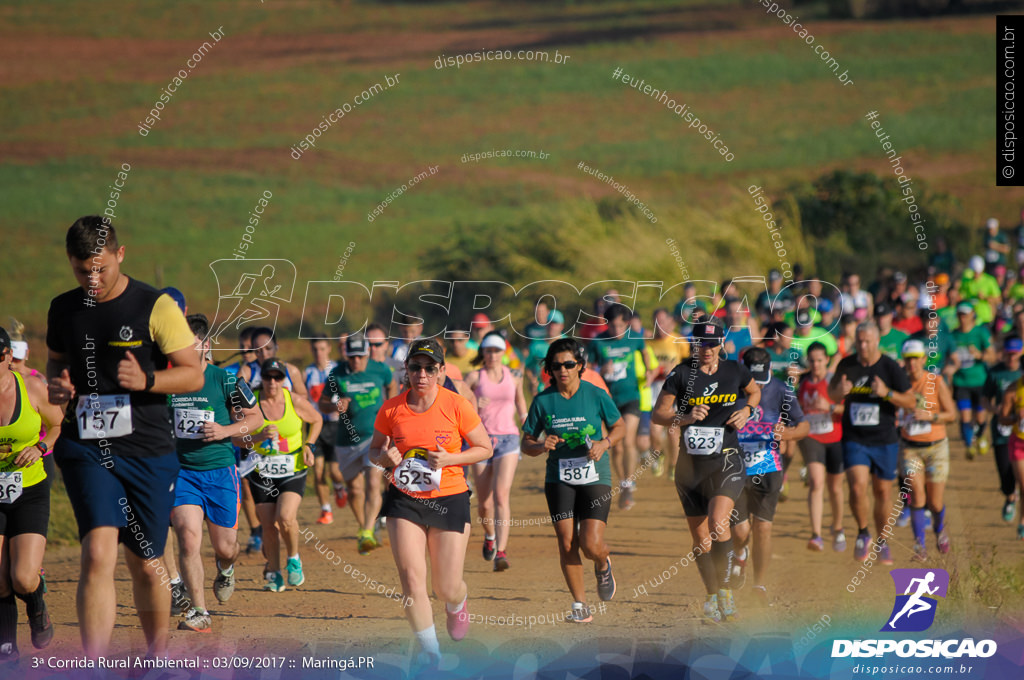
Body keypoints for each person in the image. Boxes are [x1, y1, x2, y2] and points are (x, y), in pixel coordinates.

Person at [46, 216, 204, 657]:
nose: (92, 278)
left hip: (148, 452)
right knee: (98, 550)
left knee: (147, 563)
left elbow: (194, 374)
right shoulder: (63, 309)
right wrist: (57, 386)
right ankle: (93, 665)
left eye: (101, 267)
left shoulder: (154, 306)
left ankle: (155, 659)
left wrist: (149, 380)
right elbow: (56, 364)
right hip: (87, 446)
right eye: (82, 270)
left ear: (119, 254)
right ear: (70, 264)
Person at [368, 339, 492, 665]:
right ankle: (431, 653)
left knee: (446, 586)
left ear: (440, 371)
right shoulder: (392, 408)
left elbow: (484, 447)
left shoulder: (456, 404)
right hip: (404, 499)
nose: (421, 374)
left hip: (449, 497)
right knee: (411, 579)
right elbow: (374, 451)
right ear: (406, 370)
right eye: (415, 367)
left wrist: (451, 457)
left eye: (429, 368)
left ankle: (457, 602)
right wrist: (385, 458)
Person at [652, 321, 759, 623]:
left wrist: (747, 411)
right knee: (701, 539)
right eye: (702, 344)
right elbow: (658, 414)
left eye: (713, 344)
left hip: (726, 459)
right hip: (690, 468)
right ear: (693, 345)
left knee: (717, 521)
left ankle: (726, 592)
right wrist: (684, 417)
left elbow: (754, 392)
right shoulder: (682, 374)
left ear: (721, 344)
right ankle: (712, 593)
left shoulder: (735, 371)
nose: (708, 350)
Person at [169, 314, 263, 632]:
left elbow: (256, 417)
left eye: (189, 344)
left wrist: (225, 430)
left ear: (206, 346)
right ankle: (199, 611)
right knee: (187, 537)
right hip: (182, 473)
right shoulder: (167, 382)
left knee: (225, 547)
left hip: (221, 473)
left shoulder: (225, 380)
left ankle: (226, 569)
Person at [522, 338, 623, 623]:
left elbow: (619, 426)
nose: (562, 370)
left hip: (595, 474)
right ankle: (580, 606)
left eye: (568, 364)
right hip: (559, 477)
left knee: (590, 544)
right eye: (556, 366)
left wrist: (605, 443)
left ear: (579, 365)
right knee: (567, 543)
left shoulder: (595, 393)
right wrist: (541, 445)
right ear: (549, 370)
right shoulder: (543, 400)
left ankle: (602, 563)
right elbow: (526, 442)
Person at [829, 321, 915, 564]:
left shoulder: (890, 367)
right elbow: (831, 392)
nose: (863, 346)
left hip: (885, 440)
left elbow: (910, 401)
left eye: (867, 341)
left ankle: (882, 541)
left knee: (882, 492)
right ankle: (863, 532)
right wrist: (840, 391)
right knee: (857, 486)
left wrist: (887, 392)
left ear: (877, 341)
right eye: (859, 341)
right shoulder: (848, 364)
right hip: (855, 438)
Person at [0, 327, 62, 662]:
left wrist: (40, 446)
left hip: (28, 488)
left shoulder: (32, 388)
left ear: (8, 357)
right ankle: (6, 645)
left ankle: (36, 603)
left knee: (23, 577)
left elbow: (56, 424)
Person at [731, 347, 807, 604]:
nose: (758, 388)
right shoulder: (730, 388)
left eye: (762, 381)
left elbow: (804, 425)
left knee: (763, 528)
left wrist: (788, 434)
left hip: (768, 468)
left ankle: (759, 585)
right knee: (740, 532)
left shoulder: (782, 391)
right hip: (734, 470)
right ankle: (740, 554)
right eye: (753, 382)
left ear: (770, 371)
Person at [241, 358, 320, 592]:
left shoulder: (293, 400)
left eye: (277, 377)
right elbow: (236, 437)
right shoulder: (250, 403)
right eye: (268, 377)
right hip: (261, 470)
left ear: (283, 380)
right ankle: (274, 573)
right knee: (267, 525)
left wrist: (309, 445)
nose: (272, 382)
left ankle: (294, 559)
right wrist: (258, 437)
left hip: (292, 468)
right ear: (261, 379)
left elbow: (316, 420)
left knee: (285, 517)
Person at [318, 333, 391, 555]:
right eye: (352, 357)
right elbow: (322, 403)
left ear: (367, 353)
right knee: (355, 489)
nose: (356, 361)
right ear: (346, 355)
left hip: (374, 437)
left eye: (360, 356)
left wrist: (392, 415)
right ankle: (364, 527)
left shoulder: (381, 370)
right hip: (346, 440)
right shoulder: (337, 373)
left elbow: (393, 387)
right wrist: (335, 406)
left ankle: (368, 531)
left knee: (373, 483)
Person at [464, 332, 528, 571]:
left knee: (502, 495)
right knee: (484, 504)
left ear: (503, 353)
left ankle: (501, 550)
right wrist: (473, 403)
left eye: (496, 350)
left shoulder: (514, 377)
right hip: (481, 441)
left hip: (509, 439)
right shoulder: (473, 377)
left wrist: (527, 424)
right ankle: (489, 535)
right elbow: (459, 402)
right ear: (483, 352)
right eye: (488, 350)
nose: (492, 355)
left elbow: (521, 402)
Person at [587, 304, 652, 510]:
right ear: (607, 324)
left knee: (629, 439)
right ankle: (623, 480)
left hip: (631, 396)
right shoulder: (598, 341)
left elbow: (645, 353)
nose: (617, 330)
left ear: (627, 323)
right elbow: (587, 368)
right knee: (616, 446)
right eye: (613, 326)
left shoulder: (635, 337)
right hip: (608, 399)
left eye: (621, 325)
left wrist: (649, 371)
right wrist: (600, 368)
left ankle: (629, 484)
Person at [898, 340, 957, 560]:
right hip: (910, 449)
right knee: (916, 496)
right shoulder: (900, 383)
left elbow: (952, 414)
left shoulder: (936, 382)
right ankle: (919, 547)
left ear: (923, 359)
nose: (912, 363)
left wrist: (930, 416)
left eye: (916, 358)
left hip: (936, 448)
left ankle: (940, 531)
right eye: (908, 359)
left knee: (935, 502)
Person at [797, 342, 847, 552]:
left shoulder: (834, 382)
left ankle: (837, 528)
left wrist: (831, 407)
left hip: (835, 437)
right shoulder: (802, 382)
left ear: (827, 360)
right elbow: (796, 407)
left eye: (820, 360)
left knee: (835, 487)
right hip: (811, 437)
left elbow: (849, 409)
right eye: (812, 360)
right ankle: (816, 535)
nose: (816, 364)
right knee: (817, 482)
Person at [945, 303, 994, 459]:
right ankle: (969, 446)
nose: (963, 318)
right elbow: (948, 358)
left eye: (965, 314)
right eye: (960, 314)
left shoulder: (981, 333)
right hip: (961, 382)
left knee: (980, 417)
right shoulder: (953, 335)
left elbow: (993, 356)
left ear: (973, 314)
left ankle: (980, 436)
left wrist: (980, 355)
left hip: (980, 381)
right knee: (965, 416)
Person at [304, 338, 344, 525]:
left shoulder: (337, 370)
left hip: (336, 426)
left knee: (335, 471)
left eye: (322, 348)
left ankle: (339, 487)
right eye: (314, 349)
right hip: (315, 427)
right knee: (318, 471)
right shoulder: (307, 373)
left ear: (328, 348)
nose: (318, 352)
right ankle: (326, 510)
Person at [987, 336, 1024, 523]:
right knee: (1005, 473)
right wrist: (999, 411)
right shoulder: (997, 375)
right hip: (1003, 432)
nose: (1011, 358)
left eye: (1015, 354)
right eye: (1008, 354)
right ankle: (1010, 496)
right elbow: (986, 400)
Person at [237, 328, 307, 397]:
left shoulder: (291, 371)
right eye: (258, 350)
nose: (264, 354)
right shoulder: (247, 371)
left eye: (268, 348)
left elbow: (303, 396)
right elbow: (233, 394)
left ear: (276, 347)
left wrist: (283, 399)